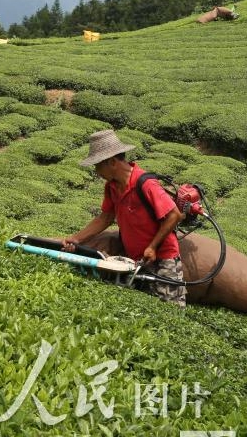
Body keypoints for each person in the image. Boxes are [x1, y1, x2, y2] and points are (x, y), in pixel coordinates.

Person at [62, 130, 187, 307]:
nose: (97, 171)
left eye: (98, 166)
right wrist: (76, 238)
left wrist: (152, 246)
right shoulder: (111, 187)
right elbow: (105, 218)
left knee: (169, 309)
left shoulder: (145, 184)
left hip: (162, 257)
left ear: (112, 162)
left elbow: (174, 215)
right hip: (135, 258)